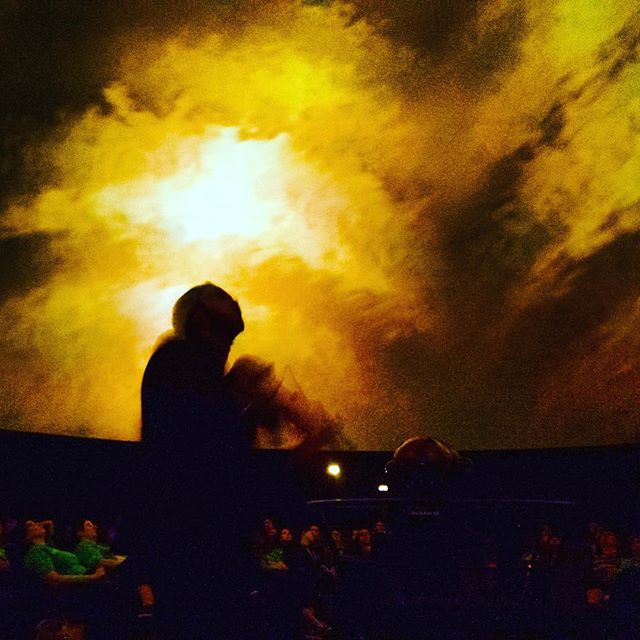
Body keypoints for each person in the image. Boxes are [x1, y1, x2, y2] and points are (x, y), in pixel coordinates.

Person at [139, 283, 252, 639]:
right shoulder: (177, 360)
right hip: (189, 542)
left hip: (200, 540)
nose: (234, 302)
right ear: (200, 321)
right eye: (223, 299)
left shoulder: (192, 370)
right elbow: (202, 448)